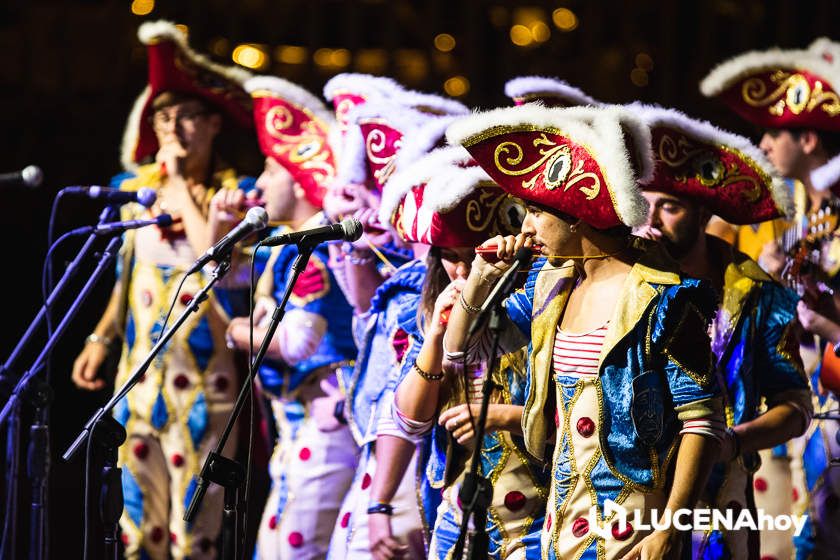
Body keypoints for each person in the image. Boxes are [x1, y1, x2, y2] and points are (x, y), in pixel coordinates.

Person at [444, 104, 725, 559]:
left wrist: (670, 527)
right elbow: (461, 350)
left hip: (632, 534)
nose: (527, 227)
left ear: (575, 213)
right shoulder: (550, 286)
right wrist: (480, 275)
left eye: (535, 212)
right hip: (558, 527)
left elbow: (703, 423)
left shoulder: (667, 300)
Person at [70, 21, 255, 559]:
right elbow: (125, 279)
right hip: (139, 380)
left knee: (192, 537)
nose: (172, 128)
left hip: (208, 391)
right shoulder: (137, 196)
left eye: (186, 116)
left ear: (214, 124)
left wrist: (177, 184)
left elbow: (214, 267)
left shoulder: (237, 200)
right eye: (162, 117)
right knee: (134, 532)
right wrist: (101, 338)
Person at [633, 104, 813, 558]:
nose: (650, 223)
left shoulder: (755, 292)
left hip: (723, 515)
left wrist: (731, 442)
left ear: (701, 212)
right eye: (643, 206)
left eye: (669, 207)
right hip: (628, 510)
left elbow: (795, 407)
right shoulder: (618, 283)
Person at [702, 41, 840, 558]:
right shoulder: (804, 215)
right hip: (794, 398)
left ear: (807, 138)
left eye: (771, 133)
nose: (761, 143)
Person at [324, 91, 470, 560]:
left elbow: (405, 409)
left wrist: (382, 502)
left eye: (387, 186)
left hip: (423, 470)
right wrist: (358, 248)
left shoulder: (438, 285)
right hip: (382, 462)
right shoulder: (410, 281)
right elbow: (367, 311)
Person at [382, 145, 547, 560]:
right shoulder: (430, 309)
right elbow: (411, 420)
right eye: (450, 259)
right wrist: (436, 336)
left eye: (471, 257)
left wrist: (505, 418)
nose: (461, 272)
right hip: (459, 515)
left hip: (540, 514)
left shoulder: (539, 302)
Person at [218, 75, 358, 559]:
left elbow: (299, 340)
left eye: (270, 172)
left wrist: (236, 332)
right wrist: (218, 228)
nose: (257, 185)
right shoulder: (286, 247)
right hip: (295, 423)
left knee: (295, 551)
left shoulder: (315, 251)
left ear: (300, 178)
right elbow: (219, 281)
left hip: (325, 423)